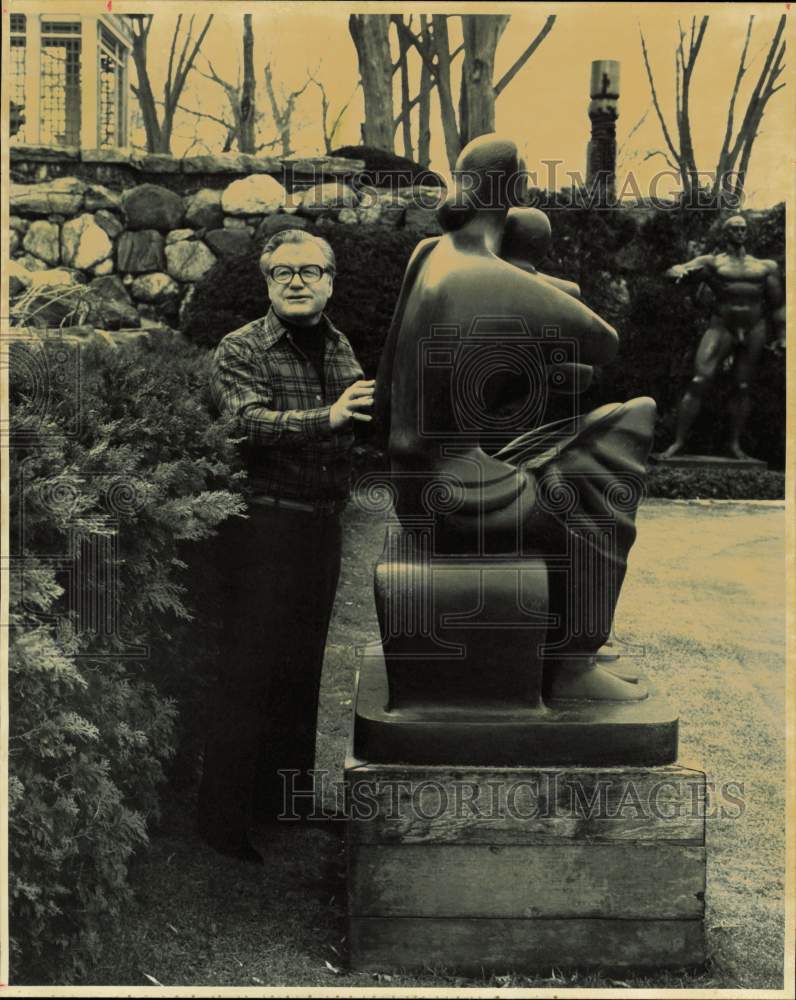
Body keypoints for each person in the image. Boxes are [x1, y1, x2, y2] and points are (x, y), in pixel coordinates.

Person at [375, 134, 655, 704]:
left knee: (562, 436)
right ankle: (574, 663)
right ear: (518, 191)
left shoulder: (428, 255)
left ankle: (565, 641)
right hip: (454, 495)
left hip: (415, 483)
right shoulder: (490, 277)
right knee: (623, 436)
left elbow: (386, 391)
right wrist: (534, 286)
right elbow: (604, 342)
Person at [197, 229, 374, 863]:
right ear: (267, 283)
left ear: (330, 281)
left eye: (309, 271)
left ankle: (284, 803)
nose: (296, 282)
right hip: (261, 530)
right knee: (248, 670)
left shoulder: (340, 344)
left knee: (303, 669)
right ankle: (221, 821)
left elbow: (359, 416)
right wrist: (325, 418)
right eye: (282, 273)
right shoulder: (240, 347)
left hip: (320, 528)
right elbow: (242, 424)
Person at [661, 214, 785, 460]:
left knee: (743, 386)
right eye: (735, 229)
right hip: (722, 326)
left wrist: (783, 335)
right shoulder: (712, 263)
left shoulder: (765, 266)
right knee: (699, 380)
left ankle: (735, 445)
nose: (740, 232)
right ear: (725, 234)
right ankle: (678, 442)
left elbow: (778, 305)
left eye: (743, 229)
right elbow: (677, 270)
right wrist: (676, 271)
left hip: (754, 328)